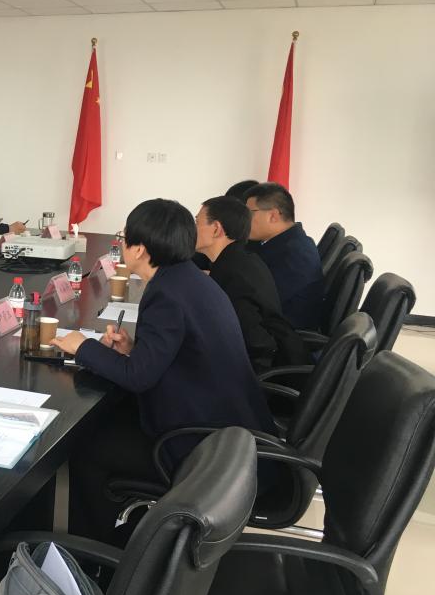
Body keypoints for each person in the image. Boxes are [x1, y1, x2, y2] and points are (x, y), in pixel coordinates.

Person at [51, 199, 274, 541]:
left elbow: (139, 377)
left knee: (88, 451)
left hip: (202, 443)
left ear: (139, 249)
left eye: (124, 238)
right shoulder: (186, 279)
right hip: (227, 427)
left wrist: (83, 346)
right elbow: (177, 355)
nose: (122, 244)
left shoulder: (166, 294)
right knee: (106, 424)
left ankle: (95, 555)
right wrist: (133, 350)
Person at [195, 196, 308, 372]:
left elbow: (254, 345)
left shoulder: (232, 276)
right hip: (275, 355)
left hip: (256, 372)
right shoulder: (241, 260)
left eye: (197, 222)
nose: (191, 229)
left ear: (216, 229)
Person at [244, 182, 324, 331]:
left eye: (249, 214)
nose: (244, 220)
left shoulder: (295, 255)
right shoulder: (285, 241)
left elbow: (257, 299)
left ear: (273, 216)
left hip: (280, 335)